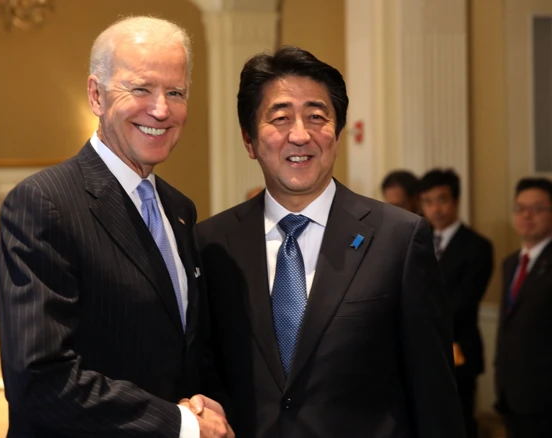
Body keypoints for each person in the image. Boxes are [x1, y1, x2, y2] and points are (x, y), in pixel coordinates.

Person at [195, 46, 464, 437]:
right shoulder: (211, 243)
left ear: (337, 134)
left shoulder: (399, 239)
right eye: (281, 117)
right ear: (250, 141)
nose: (300, 135)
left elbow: (434, 393)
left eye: (317, 117)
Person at [0, 16, 231, 438]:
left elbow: (183, 351)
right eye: (140, 88)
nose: (161, 109)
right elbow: (39, 378)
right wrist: (179, 424)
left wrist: (201, 408)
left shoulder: (179, 209)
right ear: (96, 94)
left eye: (175, 92)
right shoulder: (44, 203)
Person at [418, 168, 494, 438]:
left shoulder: (477, 246)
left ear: (456, 200)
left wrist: (417, 322)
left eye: (442, 200)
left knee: (459, 422)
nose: (435, 208)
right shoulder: (417, 242)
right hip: (420, 349)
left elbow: (464, 302)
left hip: (458, 346)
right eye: (428, 201)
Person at [495, 177, 552, 438]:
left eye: (538, 209)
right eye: (520, 208)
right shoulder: (510, 263)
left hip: (544, 396)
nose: (527, 215)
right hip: (511, 390)